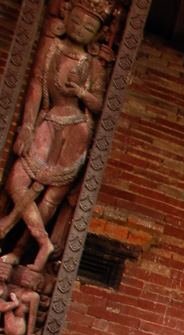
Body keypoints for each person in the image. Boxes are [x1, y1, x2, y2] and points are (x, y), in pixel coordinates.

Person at [0, 0, 110, 272]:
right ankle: (43, 241)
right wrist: (26, 127)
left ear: (97, 34)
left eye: (88, 27)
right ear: (65, 15)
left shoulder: (92, 64)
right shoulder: (51, 48)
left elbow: (98, 105)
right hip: (48, 119)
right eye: (76, 21)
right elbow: (36, 84)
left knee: (51, 197)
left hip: (76, 127)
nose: (80, 29)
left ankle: (20, 250)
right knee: (17, 180)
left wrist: (81, 94)